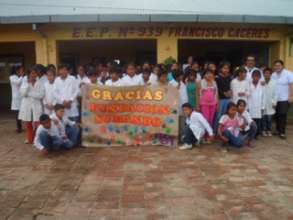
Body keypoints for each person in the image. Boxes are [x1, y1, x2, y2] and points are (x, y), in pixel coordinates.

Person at [19, 66, 45, 144]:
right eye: (32, 73)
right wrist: (28, 84)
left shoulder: (40, 83)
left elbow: (41, 95)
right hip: (27, 106)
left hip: (36, 106)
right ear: (29, 74)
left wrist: (29, 94)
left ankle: (38, 139)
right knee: (29, 123)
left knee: (38, 123)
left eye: (35, 73)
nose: (33, 75)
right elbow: (23, 94)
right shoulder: (25, 82)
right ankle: (30, 139)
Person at [271, 60, 293, 139]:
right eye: (275, 65)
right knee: (276, 115)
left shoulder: (289, 74)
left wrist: (291, 96)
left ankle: (282, 132)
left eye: (279, 65)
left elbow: (291, 85)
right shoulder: (273, 75)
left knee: (282, 114)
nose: (277, 67)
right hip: (275, 99)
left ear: (282, 66)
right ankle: (277, 130)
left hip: (284, 98)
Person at [247, 70, 265, 137]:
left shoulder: (262, 85)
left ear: (260, 77)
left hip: (258, 106)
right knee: (250, 120)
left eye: (257, 76)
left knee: (258, 121)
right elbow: (247, 94)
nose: (256, 78)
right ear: (252, 76)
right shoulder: (248, 84)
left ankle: (256, 134)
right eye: (254, 76)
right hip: (250, 105)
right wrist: (247, 106)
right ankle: (250, 133)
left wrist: (262, 107)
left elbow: (264, 96)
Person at [9, 65, 25, 133]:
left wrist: (22, 76)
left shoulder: (21, 77)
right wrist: (21, 75)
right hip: (16, 98)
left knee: (22, 113)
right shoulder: (12, 77)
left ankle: (22, 127)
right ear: (17, 70)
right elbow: (18, 83)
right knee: (17, 113)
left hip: (22, 97)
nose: (22, 71)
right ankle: (19, 128)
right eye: (21, 70)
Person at [262, 68, 277, 136]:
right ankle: (264, 130)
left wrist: (274, 102)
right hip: (263, 103)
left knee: (269, 118)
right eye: (265, 73)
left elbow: (276, 93)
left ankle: (269, 130)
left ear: (270, 74)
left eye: (268, 73)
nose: (267, 74)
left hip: (271, 103)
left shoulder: (274, 82)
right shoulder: (261, 82)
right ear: (263, 74)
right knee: (264, 118)